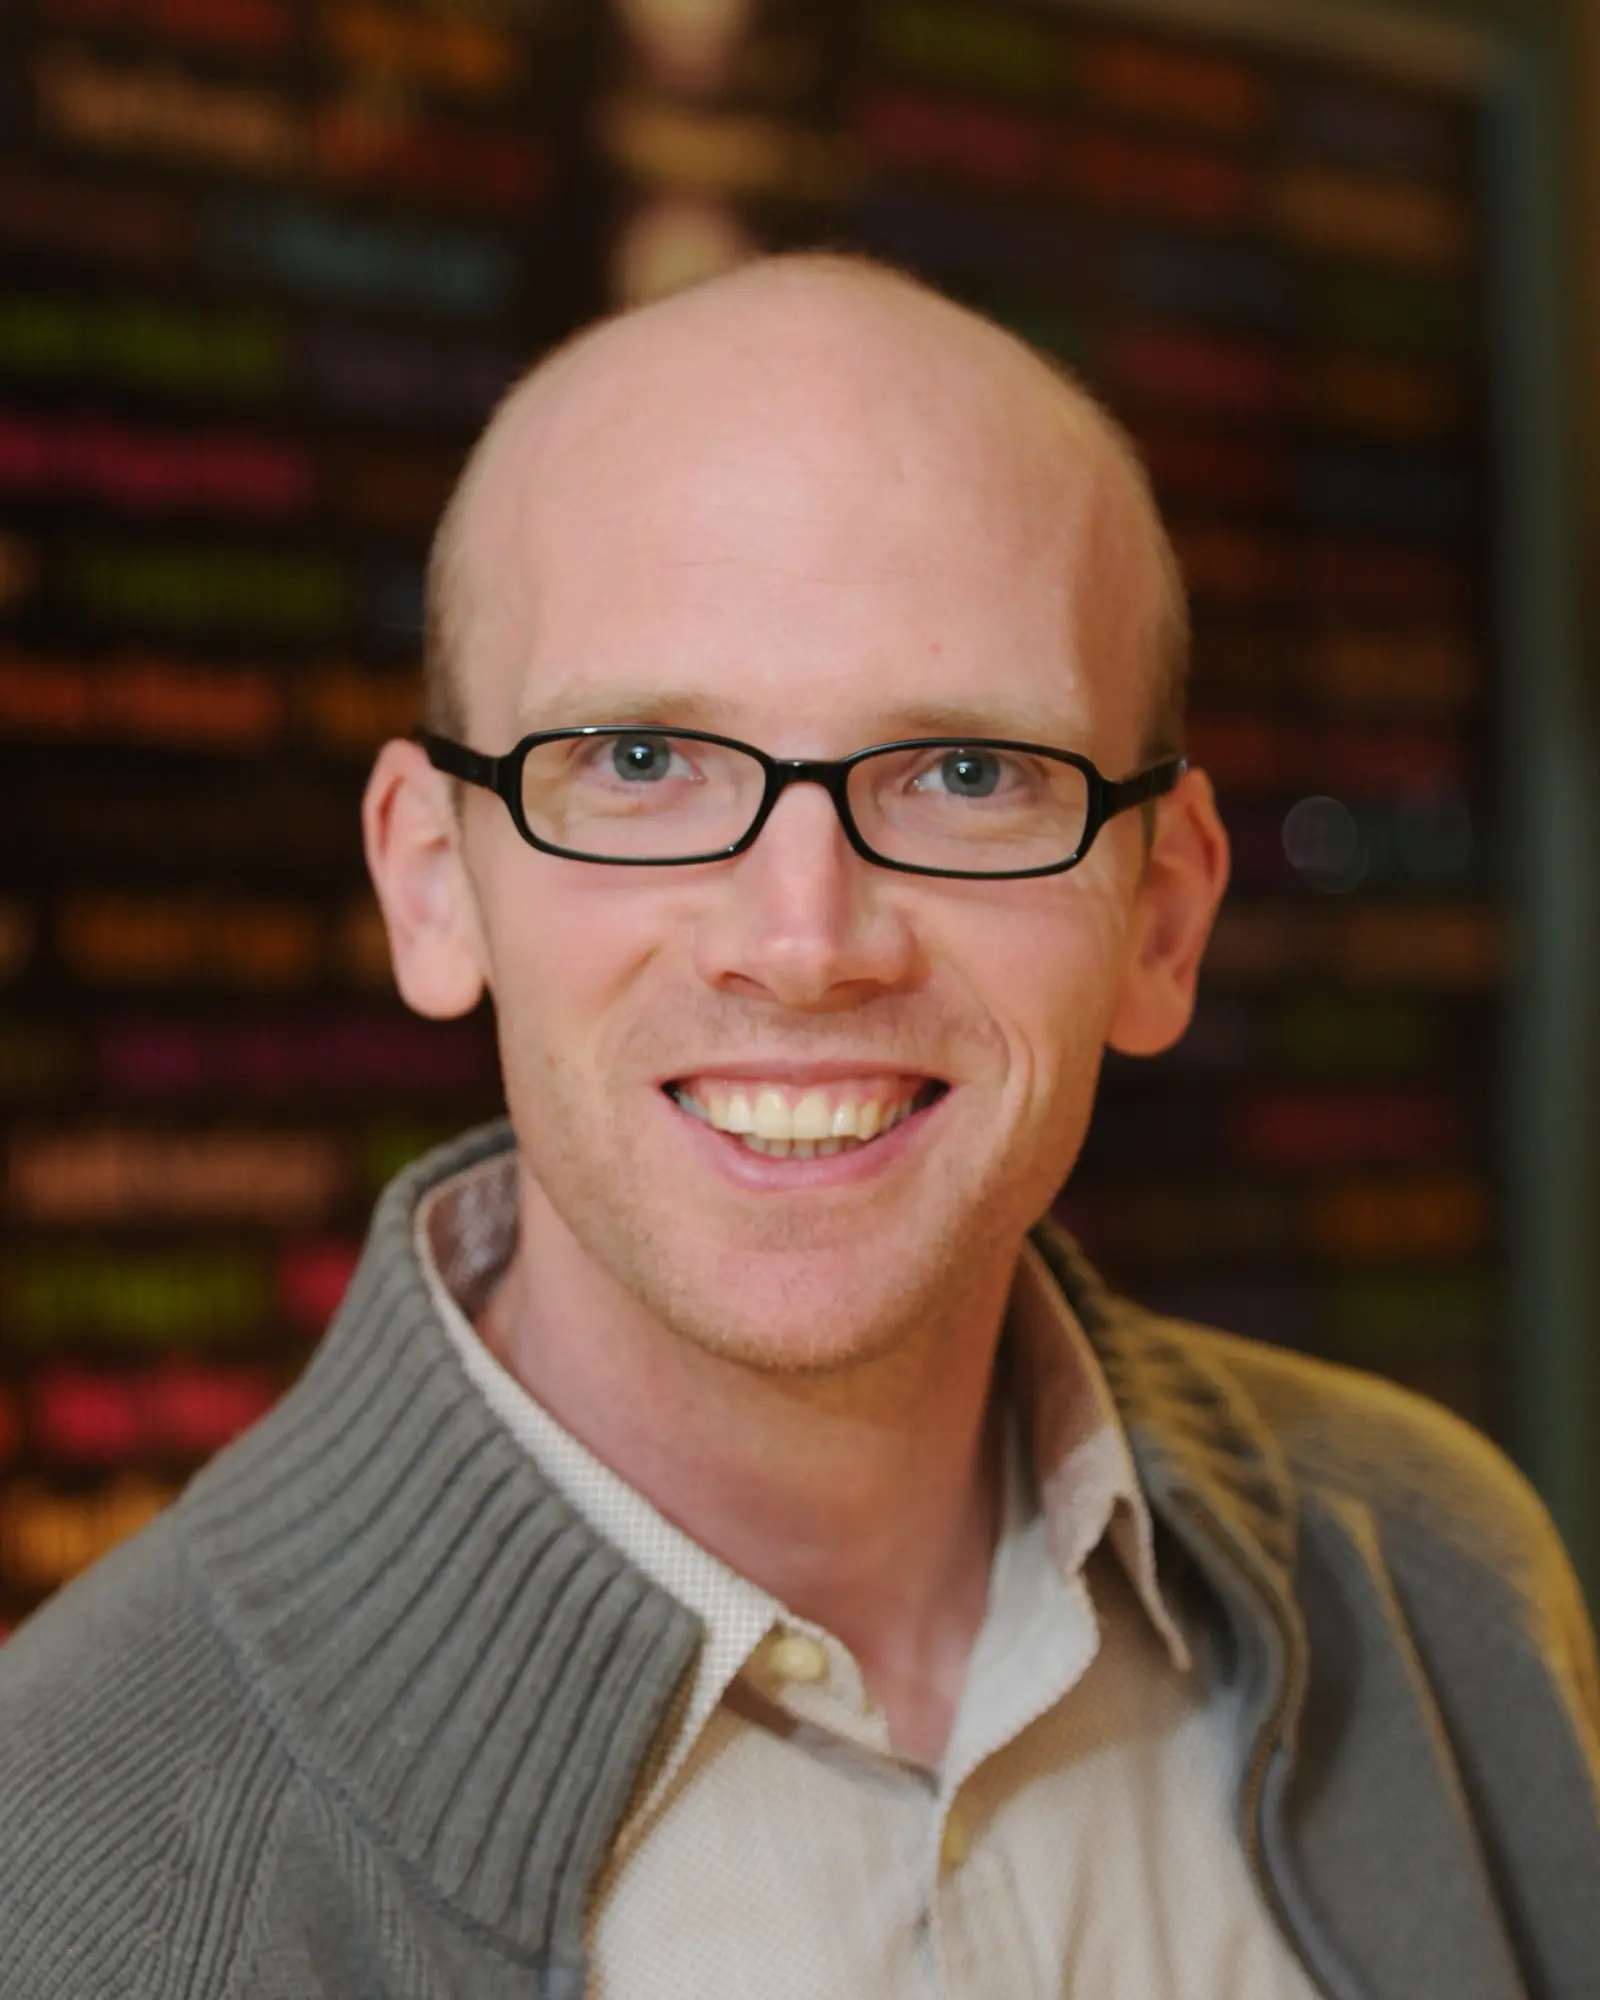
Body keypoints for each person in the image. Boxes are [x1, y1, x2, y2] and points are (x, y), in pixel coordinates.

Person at [1, 253, 1596, 2000]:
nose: (804, 941)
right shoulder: (68, 1869)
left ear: (1165, 917)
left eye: (970, 774)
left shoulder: (1440, 1583)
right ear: (432, 881)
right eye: (639, 762)